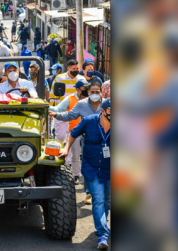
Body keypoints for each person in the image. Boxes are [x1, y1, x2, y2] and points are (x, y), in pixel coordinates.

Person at [58, 98, 111, 250]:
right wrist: (66, 149)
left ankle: (103, 227)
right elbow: (73, 134)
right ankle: (102, 234)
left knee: (107, 200)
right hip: (91, 167)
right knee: (99, 199)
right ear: (103, 111)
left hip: (109, 169)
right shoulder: (89, 121)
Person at [49, 79, 89, 184]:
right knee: (75, 155)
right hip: (75, 132)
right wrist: (46, 106)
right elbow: (59, 109)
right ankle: (76, 175)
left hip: (89, 132)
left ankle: (88, 177)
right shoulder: (70, 99)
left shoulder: (91, 99)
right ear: (78, 89)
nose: (87, 90)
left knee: (88, 156)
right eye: (84, 88)